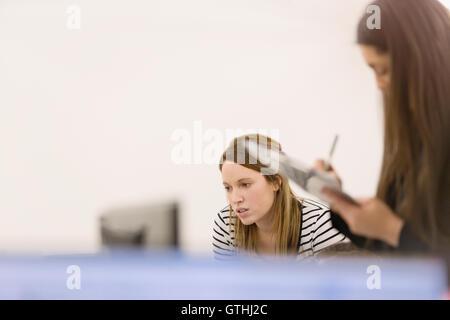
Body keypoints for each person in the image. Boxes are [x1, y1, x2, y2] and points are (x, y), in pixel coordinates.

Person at [315, 0, 450, 255]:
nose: (379, 84)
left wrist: (391, 229)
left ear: (426, 60)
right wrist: (343, 207)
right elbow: (398, 248)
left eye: (385, 70)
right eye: (373, 71)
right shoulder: (419, 139)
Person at [212, 134, 351, 260]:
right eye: (228, 188)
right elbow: (224, 287)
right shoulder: (226, 223)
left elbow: (341, 285)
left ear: (276, 182)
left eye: (246, 184)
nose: (235, 199)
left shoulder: (320, 225)